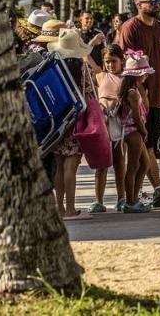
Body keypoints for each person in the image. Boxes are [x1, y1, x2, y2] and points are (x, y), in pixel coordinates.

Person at [117, 0, 160, 208]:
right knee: (141, 149)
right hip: (136, 100)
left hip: (156, 99)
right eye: (151, 1)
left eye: (157, 0)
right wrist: (140, 95)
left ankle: (139, 195)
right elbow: (127, 66)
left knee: (148, 148)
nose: (156, 4)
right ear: (139, 4)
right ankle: (142, 194)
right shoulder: (130, 28)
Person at [47, 30, 94, 220]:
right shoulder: (81, 69)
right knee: (71, 167)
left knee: (59, 165)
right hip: (76, 118)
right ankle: (71, 209)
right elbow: (89, 94)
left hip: (58, 120)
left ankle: (59, 208)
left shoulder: (53, 67)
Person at [90, 45, 127, 213]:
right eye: (107, 62)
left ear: (122, 61)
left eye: (114, 61)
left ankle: (122, 198)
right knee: (102, 164)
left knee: (120, 163)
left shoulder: (126, 79)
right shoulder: (100, 75)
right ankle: (98, 200)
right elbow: (85, 57)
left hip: (120, 124)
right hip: (103, 125)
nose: (111, 65)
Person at [119, 50, 154, 213]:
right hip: (133, 131)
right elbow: (137, 117)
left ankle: (134, 197)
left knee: (145, 164)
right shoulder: (132, 92)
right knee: (132, 166)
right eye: (143, 73)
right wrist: (144, 130)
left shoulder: (135, 89)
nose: (146, 76)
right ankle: (130, 201)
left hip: (136, 131)